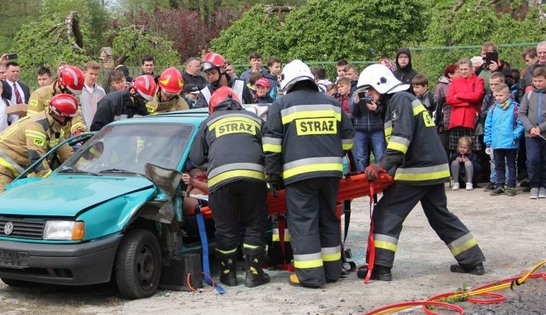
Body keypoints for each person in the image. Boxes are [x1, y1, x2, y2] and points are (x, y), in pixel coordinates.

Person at [356, 64, 486, 281]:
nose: (368, 95)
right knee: (440, 215)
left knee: (386, 213)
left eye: (369, 90)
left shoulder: (400, 101)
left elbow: (401, 140)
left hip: (418, 170)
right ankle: (472, 260)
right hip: (432, 168)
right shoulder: (402, 101)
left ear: (381, 84)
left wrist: (381, 166)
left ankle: (380, 267)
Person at [264, 60, 354, 289]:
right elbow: (348, 139)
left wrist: (273, 177)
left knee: (304, 222)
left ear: (288, 82)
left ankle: (311, 276)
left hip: (299, 175)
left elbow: (272, 146)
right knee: (328, 218)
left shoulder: (281, 105)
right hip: (331, 173)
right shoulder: (332, 103)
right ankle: (332, 271)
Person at [189, 87, 270, 288]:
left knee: (225, 227)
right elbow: (271, 150)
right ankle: (254, 274)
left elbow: (197, 157)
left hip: (221, 181)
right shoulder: (255, 119)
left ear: (212, 106)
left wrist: (214, 161)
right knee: (254, 224)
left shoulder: (209, 122)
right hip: (254, 178)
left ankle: (228, 275)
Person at [0, 94, 78, 195]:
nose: (70, 121)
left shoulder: (54, 127)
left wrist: (83, 168)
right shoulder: (37, 127)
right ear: (62, 117)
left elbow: (67, 154)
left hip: (16, 167)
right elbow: (37, 160)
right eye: (69, 118)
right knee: (0, 205)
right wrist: (51, 183)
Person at [484, 83, 524, 196]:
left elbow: (520, 124)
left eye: (501, 95)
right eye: (496, 95)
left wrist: (515, 135)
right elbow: (488, 126)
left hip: (511, 142)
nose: (498, 98)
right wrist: (488, 141)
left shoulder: (515, 107)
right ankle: (500, 184)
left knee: (511, 165)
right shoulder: (492, 109)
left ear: (508, 95)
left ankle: (511, 185)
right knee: (498, 164)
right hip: (497, 142)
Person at [28, 65, 87, 135]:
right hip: (47, 139)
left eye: (73, 93)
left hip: (66, 140)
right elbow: (33, 123)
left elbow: (76, 116)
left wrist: (78, 130)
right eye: (69, 92)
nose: (71, 95)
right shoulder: (39, 95)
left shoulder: (72, 95)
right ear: (61, 85)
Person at [517, 65, 546, 199]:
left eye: (540, 81)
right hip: (531, 135)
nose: (537, 83)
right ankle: (534, 185)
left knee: (544, 160)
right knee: (533, 160)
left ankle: (543, 186)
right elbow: (522, 113)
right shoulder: (528, 95)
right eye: (535, 81)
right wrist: (530, 128)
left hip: (544, 134)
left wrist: (541, 128)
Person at [90, 75, 157, 131]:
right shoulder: (110, 102)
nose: (143, 103)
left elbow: (147, 129)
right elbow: (96, 129)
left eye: (146, 101)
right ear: (133, 91)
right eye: (141, 99)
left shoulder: (141, 108)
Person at [446, 58, 485, 154]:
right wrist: (467, 102)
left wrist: (459, 95)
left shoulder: (478, 80)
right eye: (461, 69)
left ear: (472, 69)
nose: (463, 72)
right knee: (456, 151)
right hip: (456, 120)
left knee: (473, 151)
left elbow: (477, 96)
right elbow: (449, 99)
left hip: (471, 120)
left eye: (465, 69)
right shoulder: (455, 82)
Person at [434, 63, 458, 154]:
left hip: (456, 123)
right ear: (450, 74)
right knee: (444, 150)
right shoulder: (441, 86)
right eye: (458, 72)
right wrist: (438, 122)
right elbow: (437, 105)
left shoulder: (460, 84)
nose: (461, 73)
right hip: (445, 124)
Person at [79, 61, 106, 128]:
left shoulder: (101, 91)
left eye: (96, 74)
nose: (93, 76)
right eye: (91, 74)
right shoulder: (78, 91)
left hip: (98, 131)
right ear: (84, 73)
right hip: (83, 131)